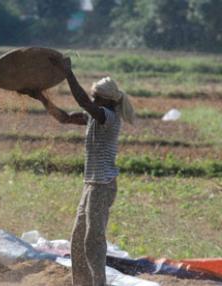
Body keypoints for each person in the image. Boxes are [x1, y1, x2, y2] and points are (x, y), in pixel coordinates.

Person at [19, 56, 135, 286]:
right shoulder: (94, 117)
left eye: (95, 97)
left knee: (94, 240)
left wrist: (68, 73)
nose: (91, 99)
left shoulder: (108, 118)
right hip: (91, 185)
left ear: (107, 100)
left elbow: (83, 102)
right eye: (92, 96)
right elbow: (64, 118)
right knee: (77, 239)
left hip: (102, 186)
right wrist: (42, 98)